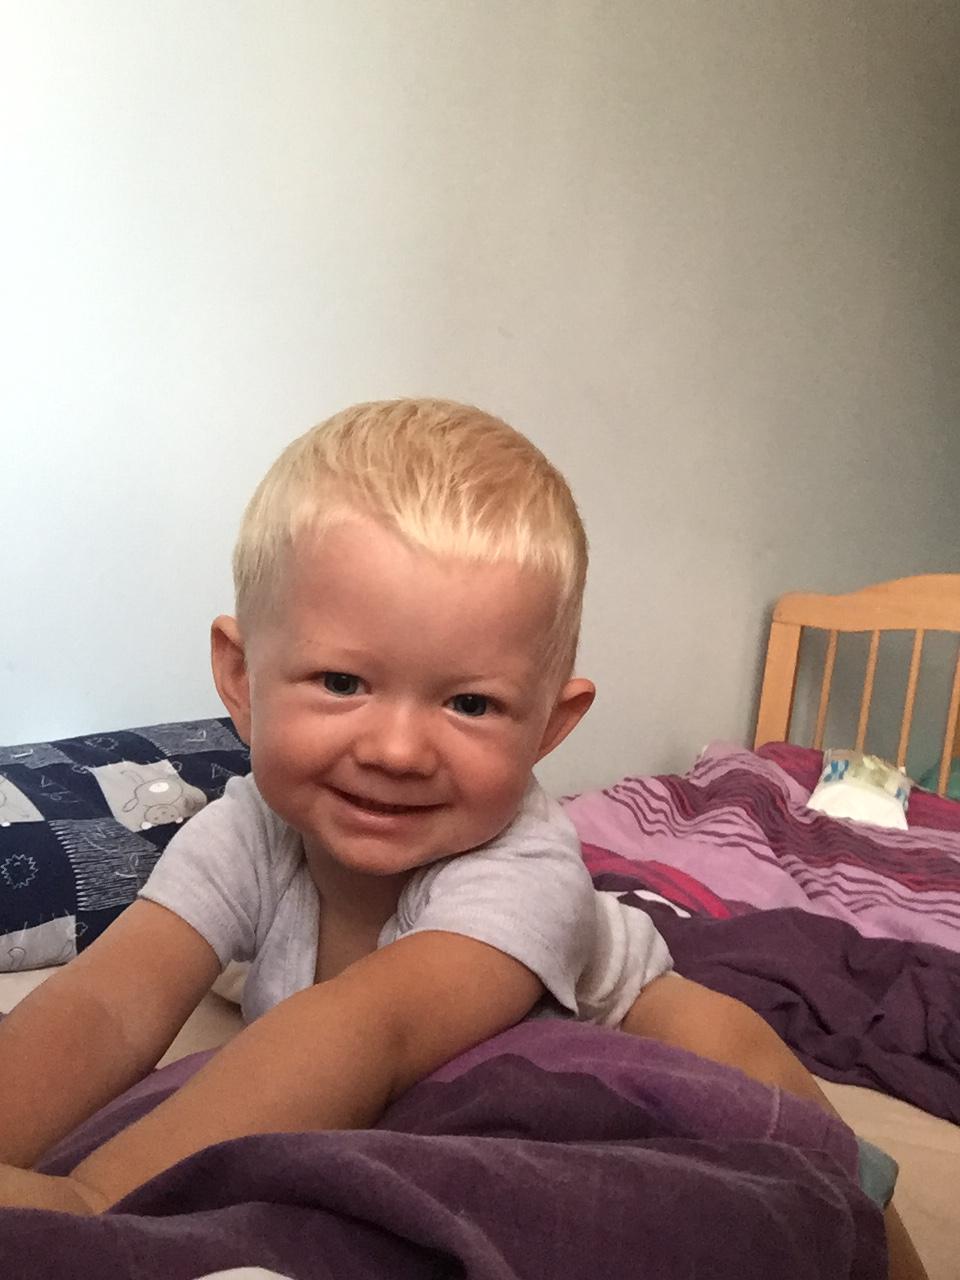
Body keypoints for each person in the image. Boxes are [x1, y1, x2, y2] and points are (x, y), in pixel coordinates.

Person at [0, 399, 926, 1277]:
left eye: (471, 704)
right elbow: (108, 1000)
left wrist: (95, 1199)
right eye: (342, 683)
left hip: (602, 1060)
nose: (398, 751)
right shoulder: (247, 829)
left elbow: (375, 1028)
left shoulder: (525, 865)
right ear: (242, 679)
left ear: (549, 727)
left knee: (777, 1125)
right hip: (404, 1086)